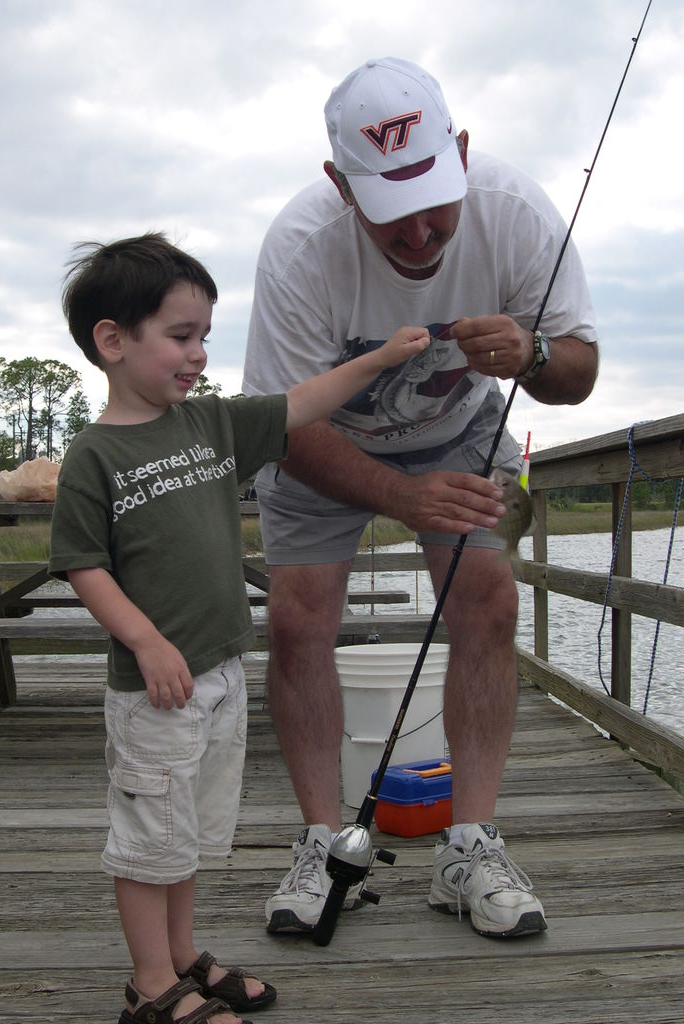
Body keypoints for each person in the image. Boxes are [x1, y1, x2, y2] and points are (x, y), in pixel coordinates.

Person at [242, 58, 599, 938]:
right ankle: (324, 845)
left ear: (464, 153)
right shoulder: (299, 248)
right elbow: (280, 425)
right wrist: (403, 497)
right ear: (338, 184)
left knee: (488, 599)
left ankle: (470, 845)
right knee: (296, 620)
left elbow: (581, 371)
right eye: (390, 210)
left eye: (436, 198)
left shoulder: (514, 214)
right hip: (318, 440)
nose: (420, 231)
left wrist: (535, 354)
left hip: (458, 429)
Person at [48, 231, 431, 1024]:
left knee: (184, 832)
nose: (197, 355)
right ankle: (149, 984)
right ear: (113, 342)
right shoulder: (92, 456)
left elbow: (303, 403)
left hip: (220, 672)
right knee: (146, 833)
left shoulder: (212, 425)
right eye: (181, 337)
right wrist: (147, 642)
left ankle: (183, 955)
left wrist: (381, 358)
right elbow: (83, 564)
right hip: (156, 687)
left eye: (205, 338)